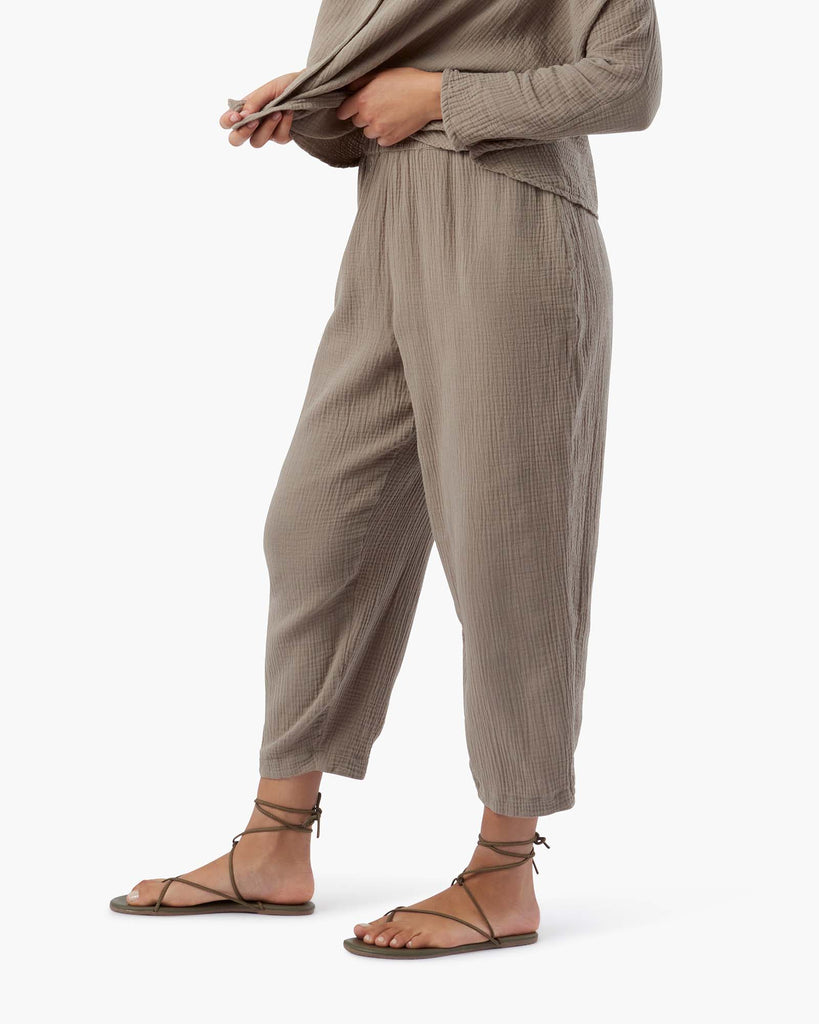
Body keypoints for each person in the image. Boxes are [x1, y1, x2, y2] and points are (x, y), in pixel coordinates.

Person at [110, 0, 662, 958]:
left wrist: (444, 99)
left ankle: (504, 871)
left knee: (508, 552)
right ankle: (273, 844)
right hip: (384, 231)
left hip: (512, 216)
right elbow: (369, 107)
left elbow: (627, 83)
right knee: (317, 526)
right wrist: (313, 103)